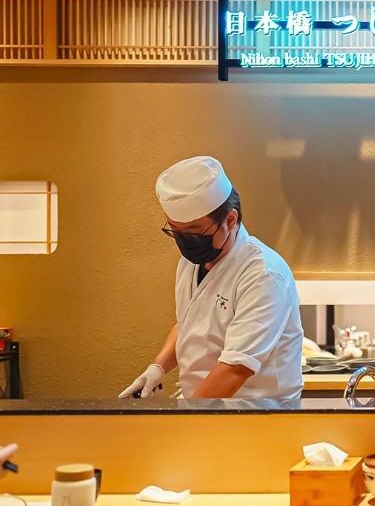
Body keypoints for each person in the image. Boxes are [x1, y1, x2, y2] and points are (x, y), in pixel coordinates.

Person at [120, 156, 303, 400]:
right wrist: (158, 367)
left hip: (256, 414)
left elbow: (236, 368)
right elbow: (191, 324)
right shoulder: (190, 262)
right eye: (177, 232)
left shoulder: (263, 274)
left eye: (195, 231)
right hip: (204, 408)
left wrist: (187, 420)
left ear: (230, 220)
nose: (186, 242)